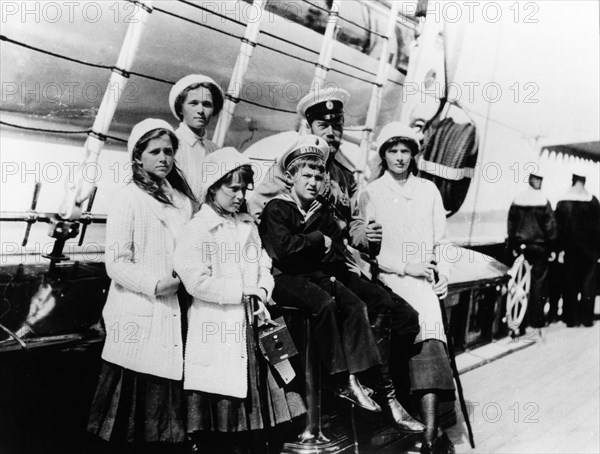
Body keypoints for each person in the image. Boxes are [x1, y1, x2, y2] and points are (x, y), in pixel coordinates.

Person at [259, 135, 425, 432]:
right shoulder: (278, 209)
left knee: (363, 304)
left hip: (318, 275)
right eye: (306, 176)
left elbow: (335, 250)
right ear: (290, 177)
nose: (312, 182)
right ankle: (342, 378)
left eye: (318, 177)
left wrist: (320, 246)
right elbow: (283, 250)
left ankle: (364, 380)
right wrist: (315, 241)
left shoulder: (321, 213)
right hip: (288, 281)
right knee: (326, 303)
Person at [173, 147, 305, 454]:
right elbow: (196, 281)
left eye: (243, 188)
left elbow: (262, 264)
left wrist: (261, 289)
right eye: (233, 188)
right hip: (219, 327)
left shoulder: (246, 224)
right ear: (213, 187)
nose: (239, 195)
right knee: (226, 419)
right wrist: (241, 292)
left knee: (262, 418)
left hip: (253, 325)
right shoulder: (197, 229)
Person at [87, 119, 195, 452]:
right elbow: (116, 263)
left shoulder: (182, 201)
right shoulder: (128, 199)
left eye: (169, 151)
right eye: (155, 151)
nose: (163, 158)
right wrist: (155, 284)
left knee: (166, 408)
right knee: (131, 411)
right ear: (138, 157)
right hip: (139, 309)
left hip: (177, 308)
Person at [360, 122, 456, 454]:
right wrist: (406, 266)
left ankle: (430, 433)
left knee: (430, 334)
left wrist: (443, 272)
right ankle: (401, 421)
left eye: (405, 151)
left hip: (424, 282)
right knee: (399, 334)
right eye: (393, 151)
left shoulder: (428, 190)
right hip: (391, 280)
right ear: (383, 155)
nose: (400, 158)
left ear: (414, 155)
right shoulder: (371, 193)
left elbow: (442, 241)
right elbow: (372, 253)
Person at [507, 168, 557, 334]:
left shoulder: (517, 199)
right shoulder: (544, 201)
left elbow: (511, 225)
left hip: (521, 247)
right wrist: (552, 247)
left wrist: (513, 245)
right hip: (539, 247)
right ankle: (535, 320)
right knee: (538, 283)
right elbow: (550, 227)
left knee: (519, 282)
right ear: (539, 181)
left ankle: (518, 321)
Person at [555, 171, 600, 327]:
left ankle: (571, 318)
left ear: (572, 180)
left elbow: (557, 229)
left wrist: (558, 249)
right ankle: (586, 318)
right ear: (585, 180)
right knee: (588, 285)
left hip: (570, 250)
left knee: (570, 284)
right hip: (590, 251)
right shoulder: (593, 200)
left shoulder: (562, 201)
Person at [169, 74, 224, 200]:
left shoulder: (216, 150)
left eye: (207, 104)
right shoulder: (170, 145)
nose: (201, 110)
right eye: (193, 103)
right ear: (181, 108)